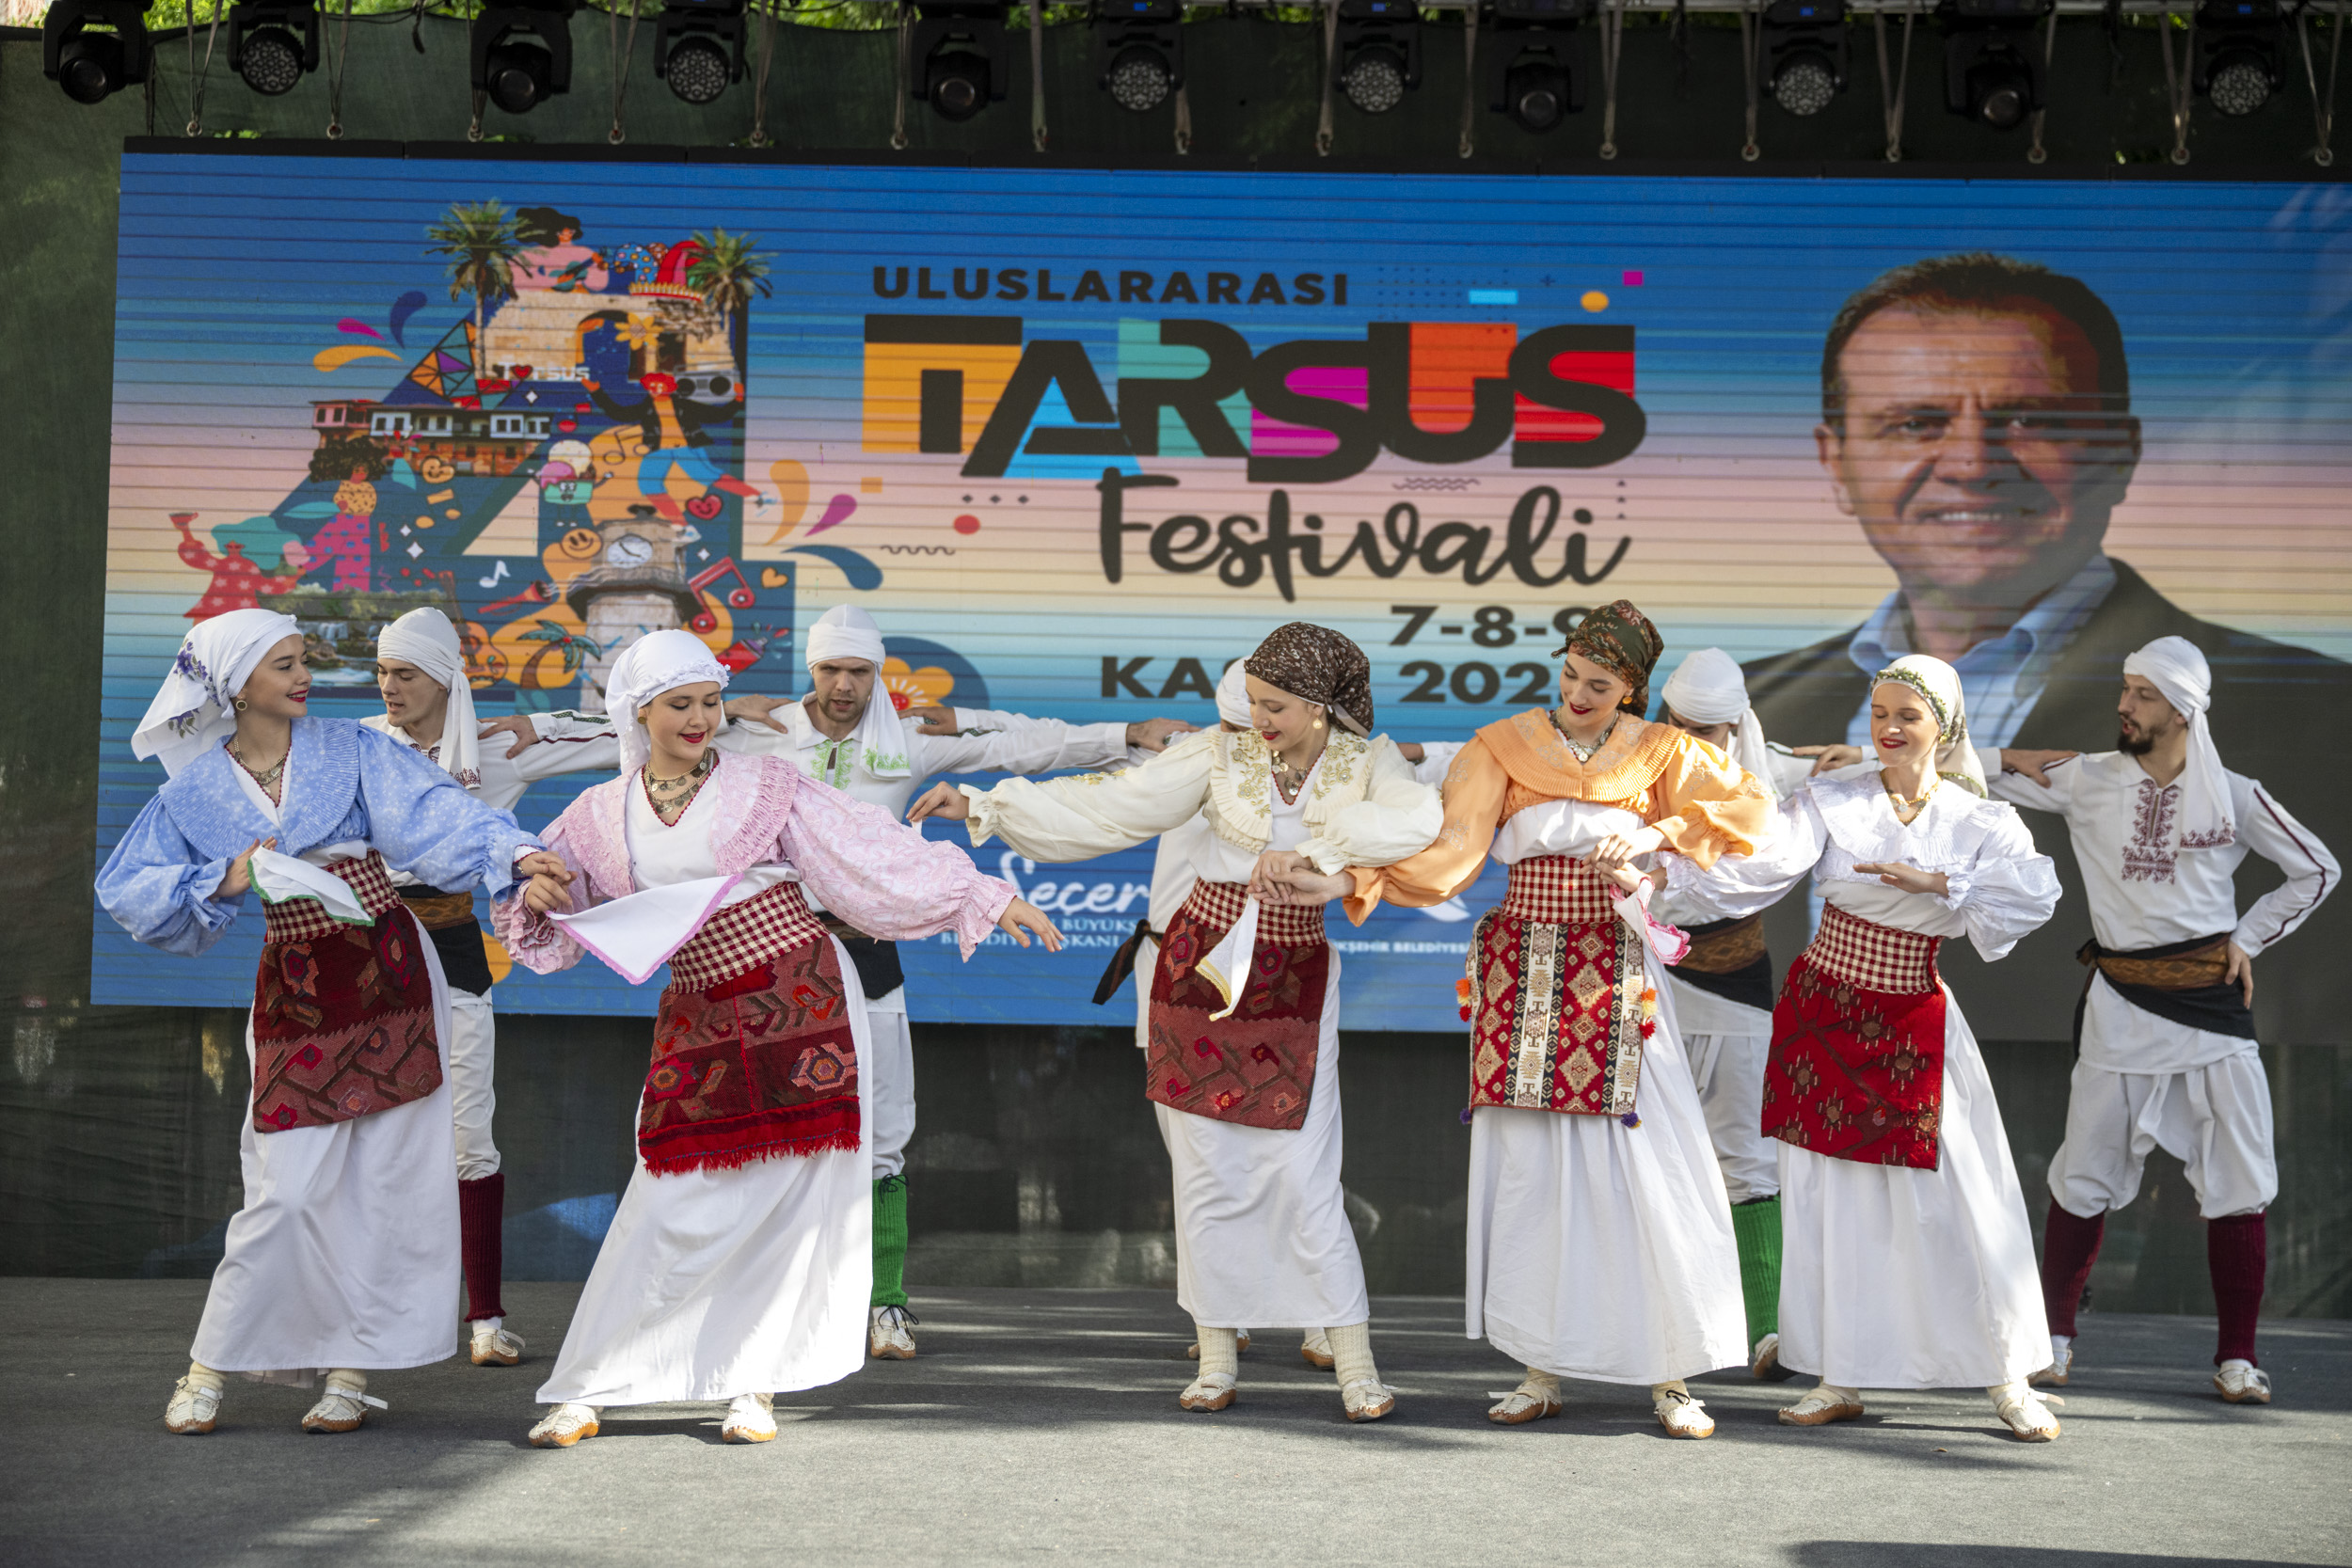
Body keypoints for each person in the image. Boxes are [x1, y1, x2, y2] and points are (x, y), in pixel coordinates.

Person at [1744, 252, 2352, 1043]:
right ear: (1836, 461)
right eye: (1916, 422)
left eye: (2030, 418)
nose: (1970, 463)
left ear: (2121, 451)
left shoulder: (2322, 710)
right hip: (1813, 1091)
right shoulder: (1757, 705)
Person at [494, 631, 1061, 1449]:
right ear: (639, 711)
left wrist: (983, 895)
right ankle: (591, 1383)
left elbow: (874, 849)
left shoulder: (765, 783)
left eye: (710, 702)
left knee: (784, 1203)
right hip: (696, 1012)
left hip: (799, 995)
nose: (699, 718)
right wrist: (538, 886)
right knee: (666, 1197)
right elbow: (555, 904)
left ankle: (752, 1383)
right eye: (679, 704)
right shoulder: (596, 814)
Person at [912, 624, 1440, 1421]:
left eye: (1276, 706)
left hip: (1292, 971)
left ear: (1324, 705)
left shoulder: (1369, 762)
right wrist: (986, 803)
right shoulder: (1216, 756)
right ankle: (1219, 1354)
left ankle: (1355, 1361)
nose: (1258, 720)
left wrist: (1325, 858)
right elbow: (1114, 810)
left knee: (1303, 1172)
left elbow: (1418, 821)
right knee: (1205, 1169)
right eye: (1253, 703)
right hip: (1196, 965)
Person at [1271, 602, 1772, 1439]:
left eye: (1598, 683)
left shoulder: (1659, 752)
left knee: (1643, 1169)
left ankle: (1669, 1376)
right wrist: (1352, 881)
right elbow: (1453, 851)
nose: (1577, 692)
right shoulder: (1504, 744)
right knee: (1535, 1174)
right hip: (1522, 972)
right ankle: (1541, 1366)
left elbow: (1751, 809)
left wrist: (1655, 832)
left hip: (1615, 973)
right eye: (1570, 673)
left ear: (1631, 689)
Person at [96, 609, 564, 1436]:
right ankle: (209, 1363)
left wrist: (515, 855)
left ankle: (351, 1372)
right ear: (236, 684)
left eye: (302, 659)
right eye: (283, 664)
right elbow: (130, 886)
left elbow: (435, 815)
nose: (303, 675)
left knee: (383, 1186)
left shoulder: (351, 749)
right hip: (298, 988)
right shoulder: (196, 790)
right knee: (285, 1192)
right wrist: (227, 877)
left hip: (390, 967)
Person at [722, 604, 1193, 1360]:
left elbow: (1018, 743)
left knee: (882, 1137)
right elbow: (641, 725)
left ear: (877, 672)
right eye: (830, 670)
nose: (844, 686)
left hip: (868, 955)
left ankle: (885, 1305)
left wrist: (1125, 737)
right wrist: (715, 697)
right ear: (809, 670)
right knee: (772, 1133)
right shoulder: (756, 730)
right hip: (774, 959)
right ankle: (774, 1304)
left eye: (859, 671)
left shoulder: (907, 735)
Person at [1672, 655, 2067, 1441]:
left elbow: (2031, 896)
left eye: (1907, 715)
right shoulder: (1831, 798)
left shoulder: (1979, 820)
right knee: (1829, 1199)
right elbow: (1754, 870)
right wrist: (1655, 877)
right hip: (1824, 1011)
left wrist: (1939, 884)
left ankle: (2005, 1373)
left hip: (1913, 1016)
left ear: (1945, 727)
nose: (1888, 728)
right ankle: (1838, 1370)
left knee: (1958, 1199)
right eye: (1879, 711)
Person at [1987, 638, 2336, 1404]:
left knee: (2240, 1180)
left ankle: (2237, 1358)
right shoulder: (2086, 779)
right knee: (2083, 1171)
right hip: (2120, 1003)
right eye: (2124, 687)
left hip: (2211, 1007)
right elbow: (1977, 765)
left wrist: (2247, 938)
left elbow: (2317, 868)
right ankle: (2053, 1342)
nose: (2124, 704)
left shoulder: (2235, 794)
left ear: (2183, 709)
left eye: (2142, 694)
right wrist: (1905, 742)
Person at [362, 607, 643, 1370]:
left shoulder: (502, 745)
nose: (389, 686)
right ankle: (370, 1321)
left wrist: (751, 716)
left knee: (466, 1132)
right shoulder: (360, 747)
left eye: (406, 673)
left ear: (447, 677)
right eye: (383, 671)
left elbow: (632, 720)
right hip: (369, 953)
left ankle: (484, 1316)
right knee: (369, 1140)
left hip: (453, 947)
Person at [1649, 648, 1817, 1383]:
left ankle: (1768, 1327)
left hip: (1737, 984)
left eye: (1706, 730)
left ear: (1737, 725)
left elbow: (1859, 771)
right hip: (1643, 984)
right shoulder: (1629, 767)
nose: (1689, 742)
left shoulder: (1772, 773)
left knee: (1749, 1158)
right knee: (1648, 1158)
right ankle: (1659, 1324)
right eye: (1676, 724)